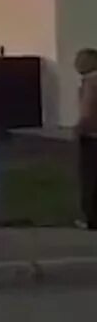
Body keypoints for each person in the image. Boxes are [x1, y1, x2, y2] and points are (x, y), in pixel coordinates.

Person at [76, 47, 97, 231]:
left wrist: (79, 127)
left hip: (91, 134)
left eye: (81, 59)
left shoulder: (90, 82)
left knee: (89, 177)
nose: (77, 63)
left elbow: (87, 108)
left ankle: (91, 217)